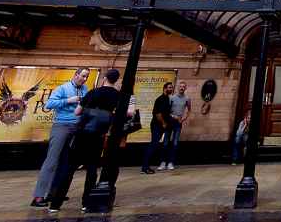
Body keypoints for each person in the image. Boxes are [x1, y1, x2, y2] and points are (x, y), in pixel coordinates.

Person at [46, 69, 134, 213]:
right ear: (117, 80)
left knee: (69, 169)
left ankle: (55, 203)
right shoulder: (118, 96)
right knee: (92, 170)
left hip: (82, 134)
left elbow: (77, 112)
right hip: (98, 136)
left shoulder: (92, 92)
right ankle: (86, 203)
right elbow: (126, 113)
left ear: (105, 78)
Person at [30, 67, 90, 207]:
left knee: (65, 163)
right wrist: (68, 100)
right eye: (83, 76)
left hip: (77, 127)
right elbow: (49, 104)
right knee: (51, 161)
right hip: (62, 125)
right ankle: (38, 196)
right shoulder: (63, 88)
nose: (85, 79)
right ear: (76, 75)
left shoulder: (85, 89)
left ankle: (55, 193)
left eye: (87, 77)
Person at [141, 82, 174, 174]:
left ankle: (146, 166)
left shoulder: (167, 99)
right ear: (165, 88)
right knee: (153, 145)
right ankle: (145, 167)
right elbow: (157, 113)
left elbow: (166, 113)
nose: (171, 89)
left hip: (162, 126)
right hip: (157, 126)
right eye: (169, 88)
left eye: (172, 88)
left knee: (154, 145)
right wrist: (163, 123)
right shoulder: (160, 99)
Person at [163, 81, 191, 170]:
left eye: (184, 87)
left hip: (178, 123)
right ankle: (163, 162)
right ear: (178, 88)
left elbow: (189, 110)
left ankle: (171, 162)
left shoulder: (187, 99)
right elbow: (167, 111)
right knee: (166, 143)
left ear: (185, 88)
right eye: (180, 86)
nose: (182, 88)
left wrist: (184, 118)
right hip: (170, 121)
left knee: (175, 143)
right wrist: (173, 116)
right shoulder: (172, 98)